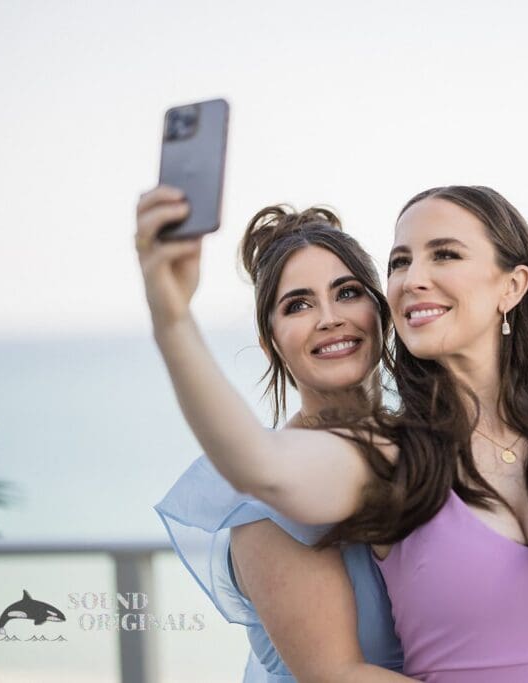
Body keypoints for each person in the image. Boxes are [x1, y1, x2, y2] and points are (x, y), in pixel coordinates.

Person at [136, 184, 528, 681]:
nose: (414, 279)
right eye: (400, 262)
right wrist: (171, 315)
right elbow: (257, 465)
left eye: (444, 254)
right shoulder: (386, 458)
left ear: (512, 287)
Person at [143, 195, 408, 682]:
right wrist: (172, 318)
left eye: (348, 292)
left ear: (382, 311)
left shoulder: (425, 442)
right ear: (271, 343)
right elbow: (338, 676)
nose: (329, 318)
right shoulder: (266, 506)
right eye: (298, 305)